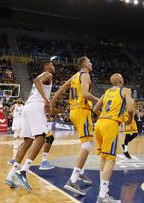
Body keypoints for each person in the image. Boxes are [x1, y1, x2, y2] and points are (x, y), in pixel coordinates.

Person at [50, 56, 98, 195]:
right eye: (89, 61)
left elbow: (62, 88)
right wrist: (100, 99)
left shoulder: (75, 76)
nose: (91, 63)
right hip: (82, 111)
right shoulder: (86, 75)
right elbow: (85, 94)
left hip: (73, 111)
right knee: (87, 145)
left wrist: (52, 102)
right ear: (84, 64)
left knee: (85, 143)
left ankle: (81, 171)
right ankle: (73, 180)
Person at [5, 61, 54, 191]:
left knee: (27, 141)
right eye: (51, 65)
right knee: (42, 137)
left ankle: (11, 175)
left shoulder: (41, 79)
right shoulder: (47, 74)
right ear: (46, 66)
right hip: (36, 105)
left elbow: (34, 88)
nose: (53, 67)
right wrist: (46, 99)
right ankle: (23, 171)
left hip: (28, 106)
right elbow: (37, 80)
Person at [93, 73, 133, 203]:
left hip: (99, 124)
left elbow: (95, 109)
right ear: (121, 80)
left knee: (104, 157)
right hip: (110, 125)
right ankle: (103, 196)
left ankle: (102, 190)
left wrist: (103, 116)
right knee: (111, 159)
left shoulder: (107, 92)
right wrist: (130, 120)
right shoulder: (126, 90)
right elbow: (131, 109)